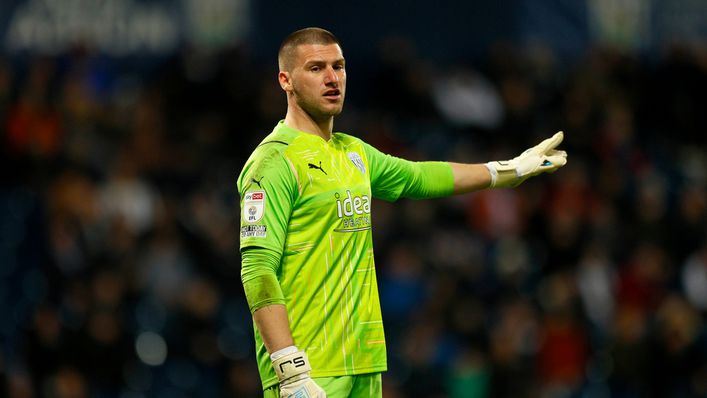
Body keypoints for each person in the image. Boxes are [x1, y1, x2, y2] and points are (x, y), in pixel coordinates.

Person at [237, 27, 567, 398]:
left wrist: (506, 170)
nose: (332, 78)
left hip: (363, 363)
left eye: (339, 66)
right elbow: (258, 270)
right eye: (316, 69)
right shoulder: (273, 163)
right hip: (309, 369)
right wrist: (289, 368)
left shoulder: (353, 153)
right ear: (286, 80)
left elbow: (421, 175)